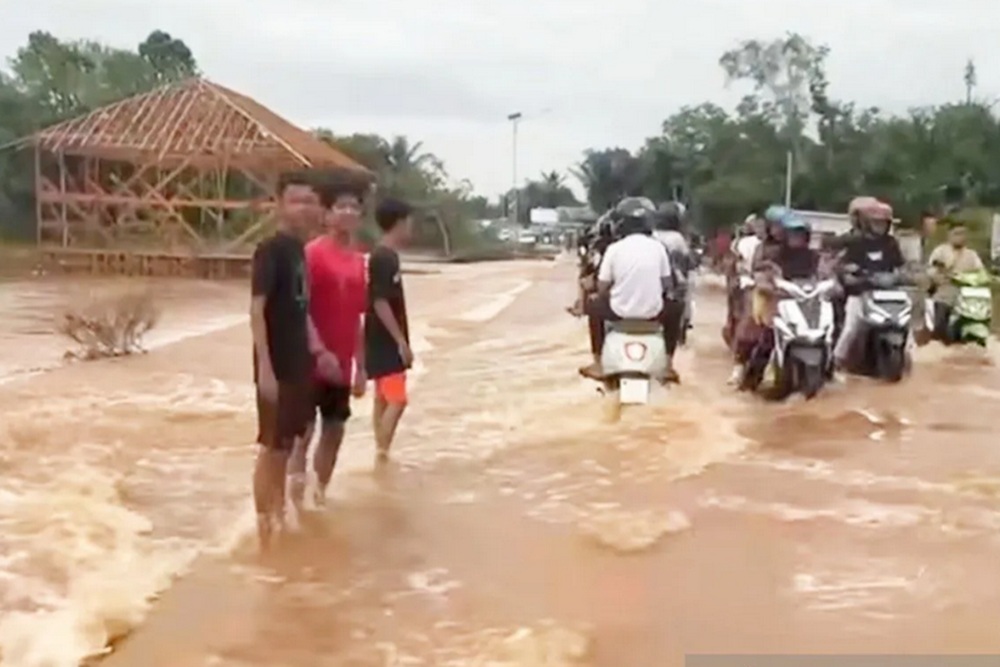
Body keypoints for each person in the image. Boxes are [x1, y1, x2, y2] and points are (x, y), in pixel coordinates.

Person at [250, 170, 331, 549]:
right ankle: (265, 525)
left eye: (311, 201)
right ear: (280, 205)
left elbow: (302, 310)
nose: (306, 208)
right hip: (278, 364)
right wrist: (265, 367)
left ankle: (277, 514)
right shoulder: (271, 249)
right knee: (272, 447)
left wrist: (319, 350)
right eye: (297, 200)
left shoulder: (300, 251)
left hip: (299, 360)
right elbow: (256, 310)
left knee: (287, 443)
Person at [288, 174, 369, 514]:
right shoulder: (313, 254)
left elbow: (358, 319)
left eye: (354, 207)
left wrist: (362, 368)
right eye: (341, 207)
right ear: (328, 214)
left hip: (343, 363)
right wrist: (318, 350)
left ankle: (319, 495)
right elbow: (299, 308)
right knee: (302, 435)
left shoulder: (358, 260)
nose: (348, 212)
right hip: (311, 361)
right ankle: (293, 501)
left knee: (335, 432)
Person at [579, 198, 672, 379]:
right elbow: (667, 284)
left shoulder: (613, 249)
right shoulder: (659, 248)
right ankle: (669, 363)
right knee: (676, 307)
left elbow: (602, 287)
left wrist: (607, 293)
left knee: (593, 306)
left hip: (618, 313)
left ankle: (598, 362)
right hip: (653, 313)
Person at [366, 198, 414, 463]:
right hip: (385, 338)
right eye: (409, 223)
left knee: (383, 398)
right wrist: (400, 341)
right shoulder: (384, 257)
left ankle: (380, 449)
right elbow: (380, 300)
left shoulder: (383, 255)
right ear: (399, 223)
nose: (411, 229)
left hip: (377, 335)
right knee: (397, 399)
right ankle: (381, 452)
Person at [832, 200, 905, 372]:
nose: (879, 226)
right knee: (851, 327)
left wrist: (903, 276)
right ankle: (837, 360)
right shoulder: (855, 242)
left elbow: (901, 266)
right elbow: (842, 265)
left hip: (888, 295)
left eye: (883, 223)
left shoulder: (891, 243)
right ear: (866, 222)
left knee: (903, 324)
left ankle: (907, 358)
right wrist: (848, 273)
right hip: (860, 293)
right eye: (875, 222)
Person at [652, 201, 690, 382]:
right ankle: (668, 363)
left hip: (645, 296)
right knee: (676, 316)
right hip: (669, 293)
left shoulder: (651, 236)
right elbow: (685, 266)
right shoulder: (677, 239)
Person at [927, 221, 984, 339]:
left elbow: (981, 272)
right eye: (956, 233)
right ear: (949, 235)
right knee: (940, 322)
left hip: (966, 295)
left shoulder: (971, 255)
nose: (960, 237)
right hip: (945, 292)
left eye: (963, 234)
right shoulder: (940, 251)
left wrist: (977, 279)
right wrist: (938, 277)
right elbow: (931, 270)